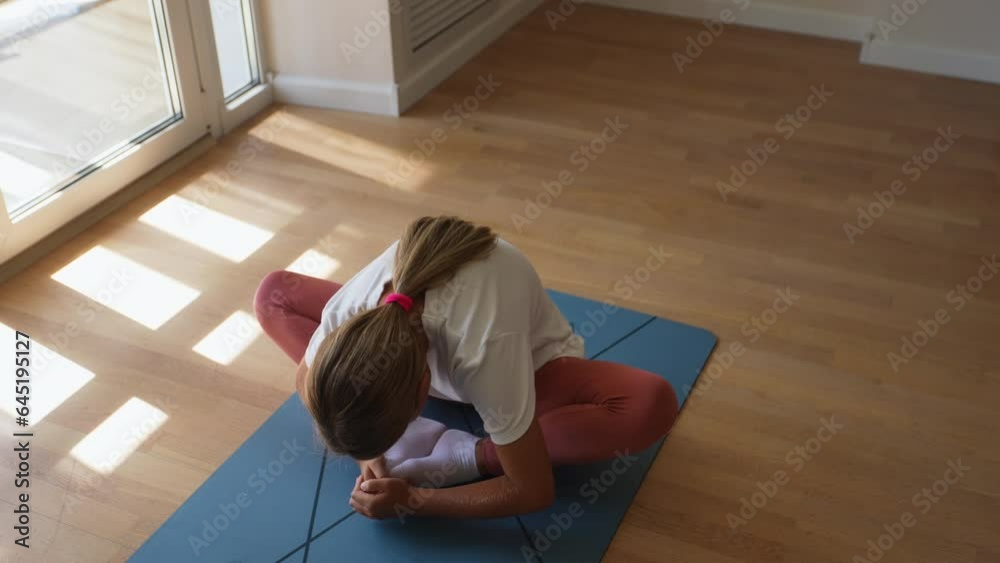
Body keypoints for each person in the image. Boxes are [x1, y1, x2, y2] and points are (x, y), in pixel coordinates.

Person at [253, 216, 677, 519]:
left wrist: (413, 500)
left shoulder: (484, 351)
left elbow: (532, 490)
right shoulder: (350, 312)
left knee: (651, 403)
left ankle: (472, 453)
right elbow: (305, 378)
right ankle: (385, 418)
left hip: (527, 373)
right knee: (274, 294)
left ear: (422, 392)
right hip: (425, 358)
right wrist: (368, 455)